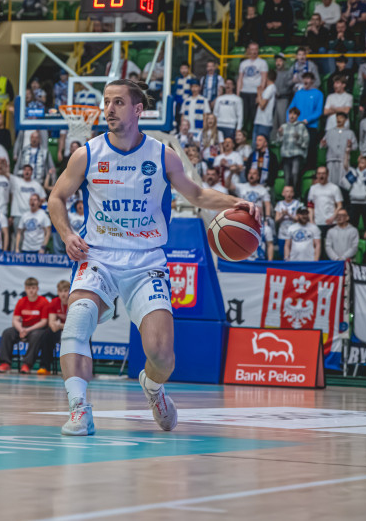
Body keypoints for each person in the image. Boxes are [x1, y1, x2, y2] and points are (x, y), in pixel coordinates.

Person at [48, 79, 260, 436]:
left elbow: (196, 194)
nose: (109, 109)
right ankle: (79, 409)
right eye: (106, 101)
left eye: (118, 102)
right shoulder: (87, 153)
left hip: (146, 261)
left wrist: (234, 202)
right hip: (98, 256)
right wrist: (68, 234)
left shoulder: (163, 154)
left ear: (138, 109)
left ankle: (153, 387)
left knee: (162, 355)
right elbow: (56, 198)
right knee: (77, 322)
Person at [39, 280, 71, 375]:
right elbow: (52, 324)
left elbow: (75, 325)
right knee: (47, 334)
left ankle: (77, 369)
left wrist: (60, 325)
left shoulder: (74, 302)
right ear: (57, 292)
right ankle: (45, 367)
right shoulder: (54, 302)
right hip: (59, 330)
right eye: (60, 291)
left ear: (70, 291)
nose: (63, 294)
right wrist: (58, 326)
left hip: (72, 331)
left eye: (65, 291)